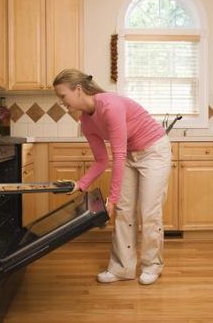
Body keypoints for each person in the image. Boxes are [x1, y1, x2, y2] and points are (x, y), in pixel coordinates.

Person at [53, 68, 171, 285]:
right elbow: (101, 160)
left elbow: (116, 154)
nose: (62, 102)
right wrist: (80, 184)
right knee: (124, 211)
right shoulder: (86, 123)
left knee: (148, 211)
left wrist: (111, 198)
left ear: (78, 90)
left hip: (154, 151)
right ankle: (122, 268)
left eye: (63, 96)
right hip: (128, 154)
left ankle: (151, 265)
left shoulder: (109, 105)